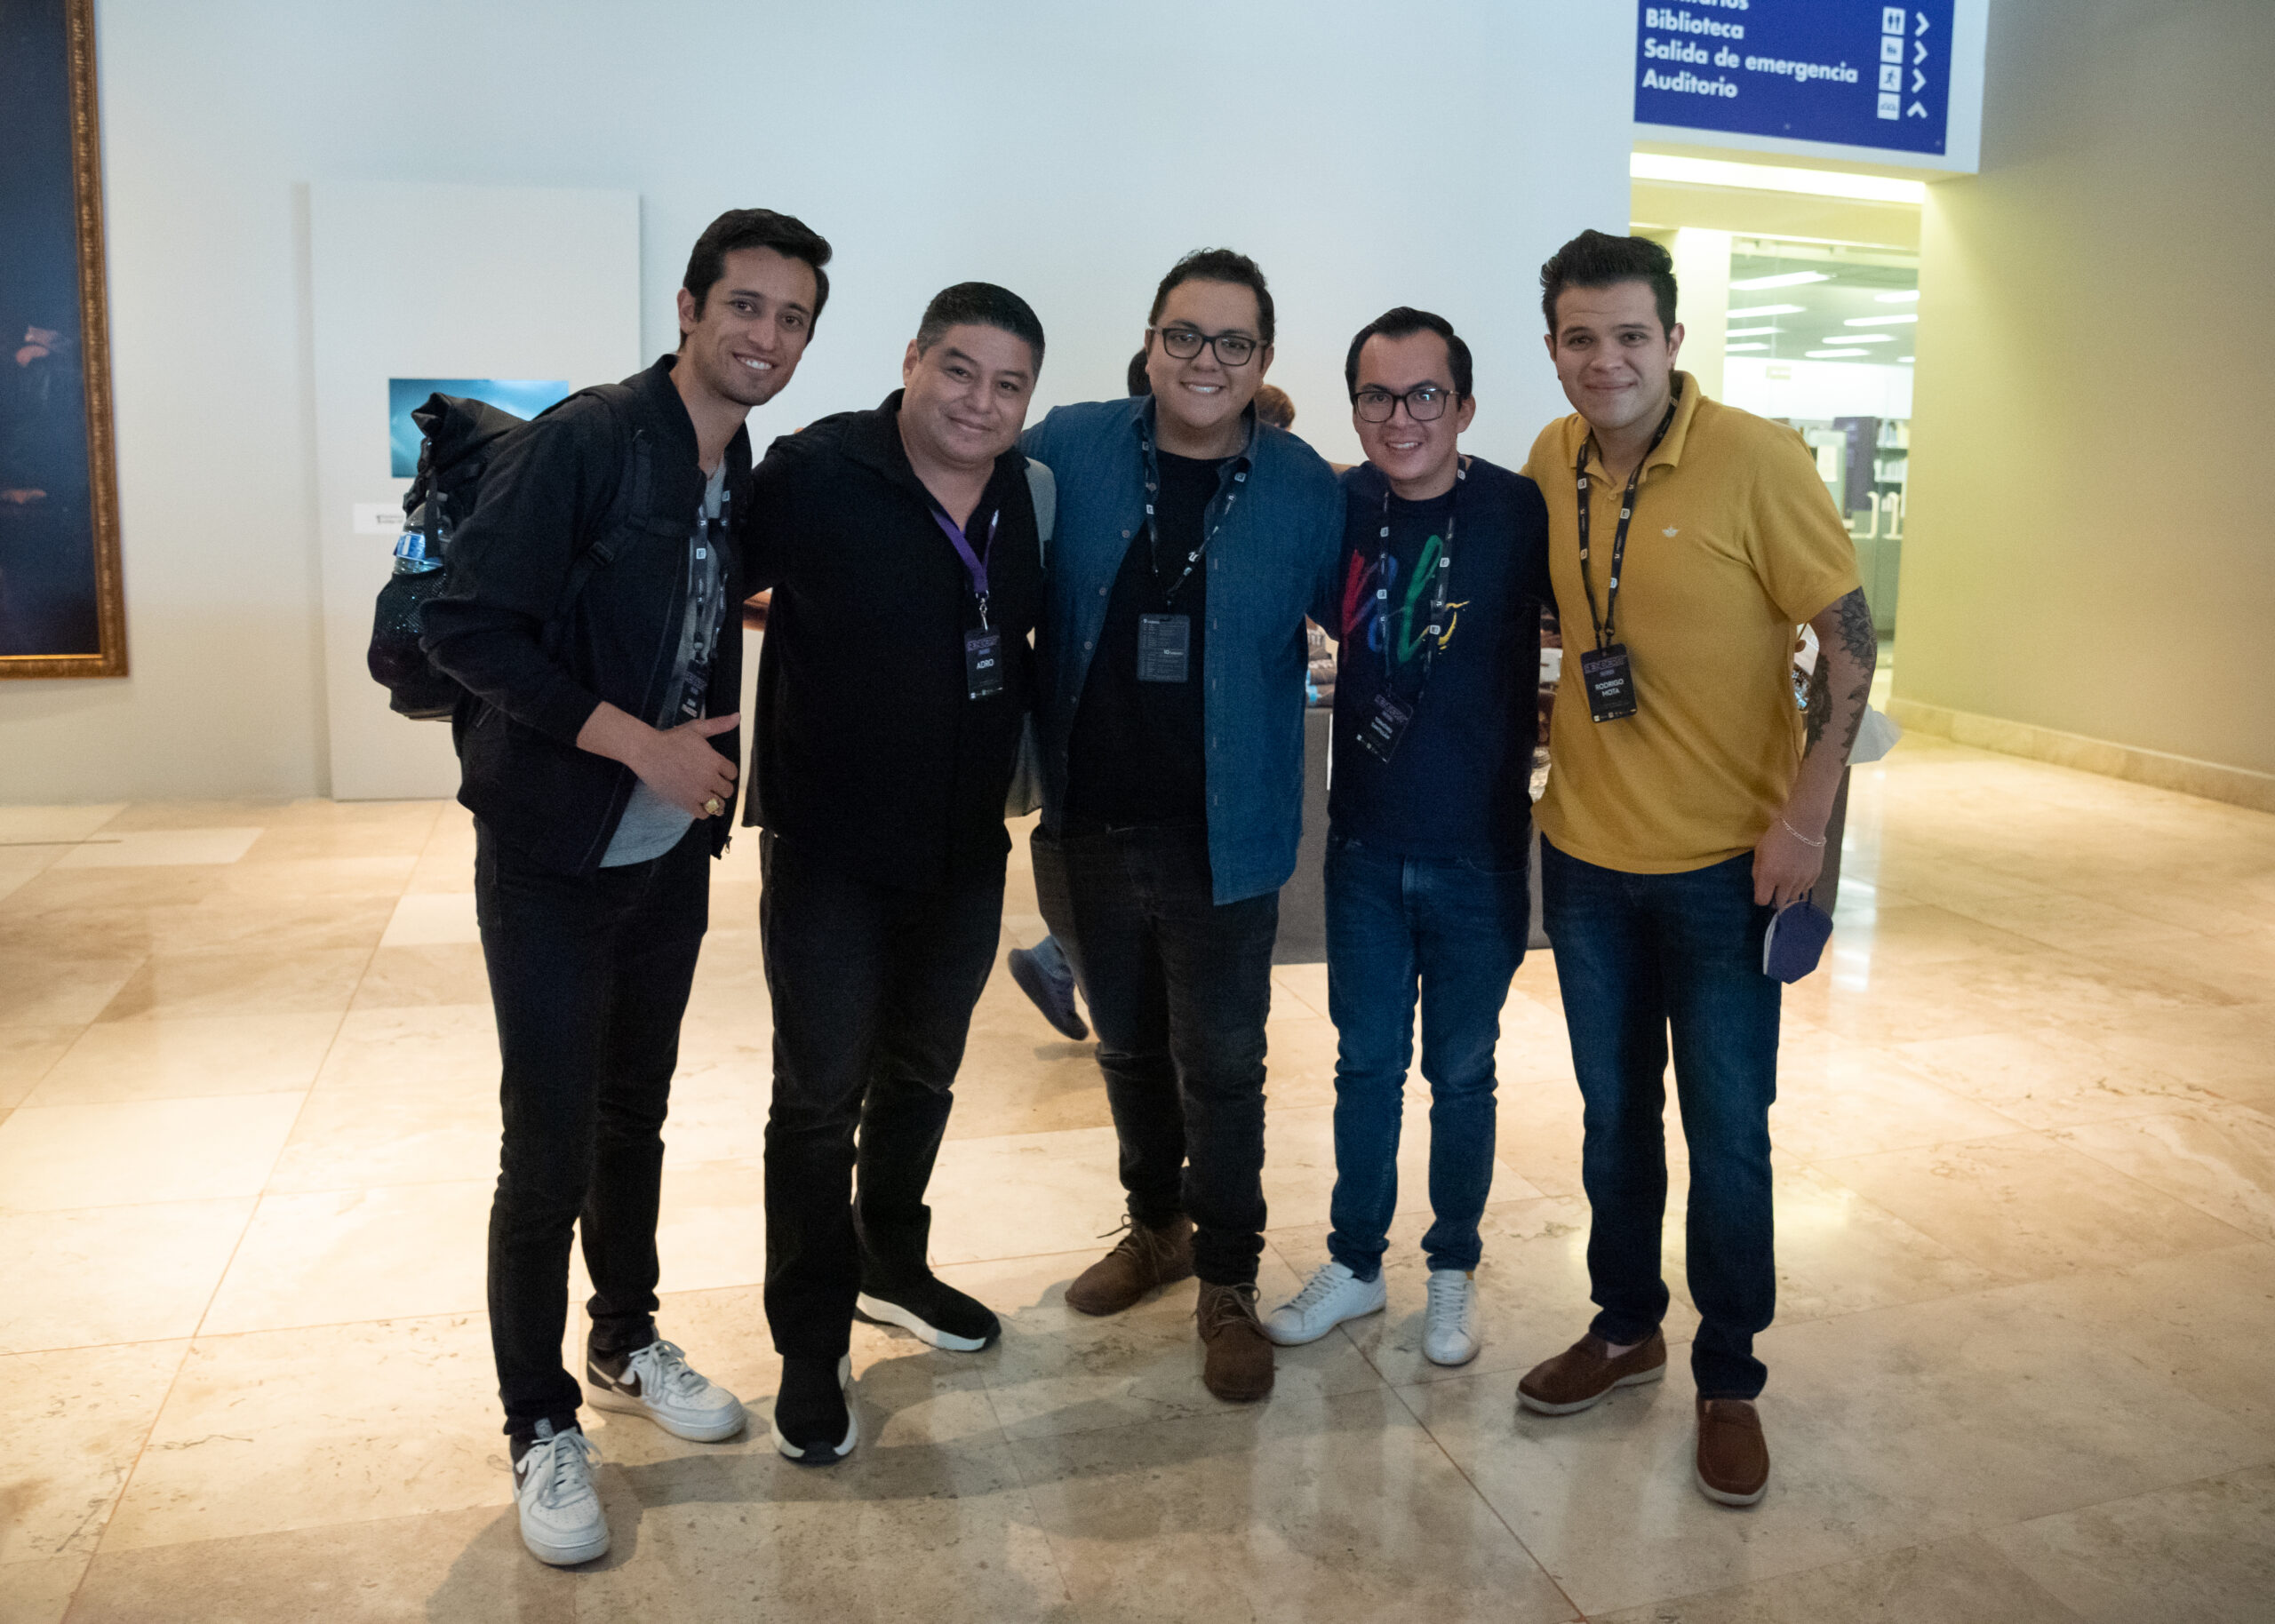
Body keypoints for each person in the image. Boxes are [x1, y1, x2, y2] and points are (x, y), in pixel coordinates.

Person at [422, 207, 831, 1566]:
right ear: (690, 307)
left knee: (631, 1116)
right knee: (544, 1148)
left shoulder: (734, 459)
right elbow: (466, 624)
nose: (766, 335)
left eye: (791, 317)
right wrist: (636, 743)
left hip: (666, 856)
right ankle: (539, 1420)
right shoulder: (592, 440)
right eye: (745, 305)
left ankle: (624, 1338)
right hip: (552, 854)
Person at [1514, 231, 1874, 1509]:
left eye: (1630, 335)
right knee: (1614, 1117)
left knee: (1726, 1131)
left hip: (1729, 868)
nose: (1605, 360)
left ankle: (1730, 1374)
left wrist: (1807, 821)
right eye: (1580, 337)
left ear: (1671, 340)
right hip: (1587, 862)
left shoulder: (1756, 460)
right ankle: (1625, 1326)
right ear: (1553, 347)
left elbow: (1851, 646)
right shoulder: (1550, 459)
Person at [1022, 248, 1342, 1402]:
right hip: (1088, 824)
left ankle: (1228, 1279)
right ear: (1151, 341)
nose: (1207, 361)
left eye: (1233, 342)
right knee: (1127, 1047)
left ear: (1263, 358)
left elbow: (1376, 619)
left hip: (1228, 832)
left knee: (1224, 1065)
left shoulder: (1305, 487)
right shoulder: (1069, 446)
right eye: (1185, 336)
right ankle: (1155, 1225)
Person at [744, 282, 1048, 1463]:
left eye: (1008, 384)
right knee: (819, 1098)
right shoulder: (819, 470)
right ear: (913, 358)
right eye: (959, 369)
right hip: (831, 852)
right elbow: (708, 586)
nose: (980, 402)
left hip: (963, 850)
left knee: (922, 1074)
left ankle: (891, 1264)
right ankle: (808, 1339)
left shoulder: (1027, 494)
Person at [1261, 309, 1550, 1368]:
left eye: (1424, 394)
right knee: (1365, 1066)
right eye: (1377, 396)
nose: (1401, 417)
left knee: (1463, 1073)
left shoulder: (1516, 510)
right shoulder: (1338, 506)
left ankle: (1451, 1268)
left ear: (1463, 406)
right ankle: (1356, 1263)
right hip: (1366, 848)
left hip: (1479, 850)